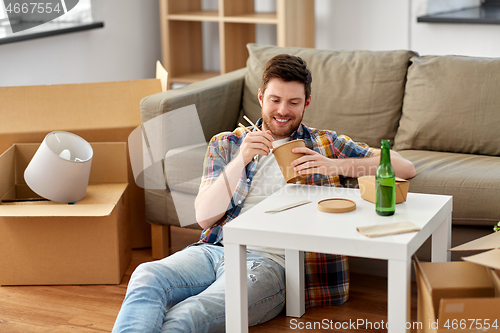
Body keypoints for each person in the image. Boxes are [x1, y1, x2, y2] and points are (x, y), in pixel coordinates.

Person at [112, 54, 416, 333]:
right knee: (145, 276)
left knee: (188, 314)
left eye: (294, 102)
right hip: (215, 249)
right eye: (275, 100)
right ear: (260, 98)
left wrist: (333, 164)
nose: (283, 111)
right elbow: (205, 217)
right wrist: (240, 160)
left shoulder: (324, 143)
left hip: (272, 264)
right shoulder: (228, 143)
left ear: (307, 103)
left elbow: (404, 168)